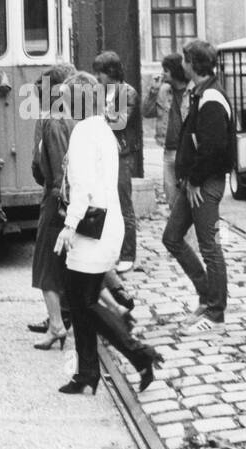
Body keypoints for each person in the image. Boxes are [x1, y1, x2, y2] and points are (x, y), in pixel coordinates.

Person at [54, 72, 164, 395]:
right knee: (82, 300)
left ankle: (137, 353)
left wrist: (69, 225)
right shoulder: (101, 127)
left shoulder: (83, 133)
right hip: (107, 222)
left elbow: (83, 187)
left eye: (66, 98)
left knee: (83, 302)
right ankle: (88, 372)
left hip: (91, 226)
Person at [163, 40, 234, 335]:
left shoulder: (212, 98)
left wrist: (194, 179)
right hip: (194, 182)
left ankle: (216, 314)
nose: (182, 65)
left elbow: (213, 148)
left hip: (204, 183)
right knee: (172, 237)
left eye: (185, 60)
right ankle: (207, 296)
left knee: (210, 247)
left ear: (192, 63)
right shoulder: (201, 93)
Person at [29, 62, 76, 346]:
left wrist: (60, 199)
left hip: (56, 199)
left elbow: (56, 170)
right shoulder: (73, 118)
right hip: (62, 197)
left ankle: (58, 325)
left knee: (47, 264)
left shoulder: (54, 121)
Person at [94, 50, 141, 273]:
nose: (97, 77)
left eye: (100, 73)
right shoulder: (103, 92)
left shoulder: (127, 93)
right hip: (105, 152)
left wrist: (99, 116)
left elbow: (119, 122)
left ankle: (128, 254)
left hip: (121, 154)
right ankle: (113, 250)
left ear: (110, 72)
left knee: (124, 205)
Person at [142, 53, 188, 211]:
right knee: (171, 197)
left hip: (187, 152)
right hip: (168, 151)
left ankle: (190, 235)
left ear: (175, 71)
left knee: (188, 199)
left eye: (166, 70)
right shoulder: (163, 91)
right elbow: (146, 112)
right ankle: (178, 234)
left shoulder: (192, 91)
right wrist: (153, 90)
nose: (163, 74)